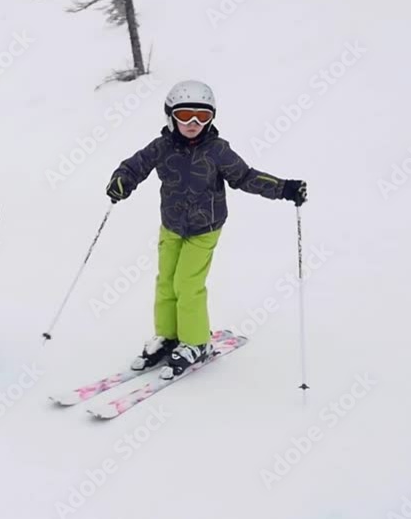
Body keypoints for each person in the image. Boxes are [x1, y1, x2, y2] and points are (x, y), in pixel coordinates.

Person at [106, 80, 307, 380]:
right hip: (171, 226)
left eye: (202, 116)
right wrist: (122, 180)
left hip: (204, 228)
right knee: (166, 282)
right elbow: (135, 166)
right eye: (185, 115)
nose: (193, 123)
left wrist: (284, 188)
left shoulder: (217, 150)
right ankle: (168, 336)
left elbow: (245, 177)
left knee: (187, 284)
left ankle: (196, 342)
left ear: (212, 118)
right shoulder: (161, 147)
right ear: (170, 116)